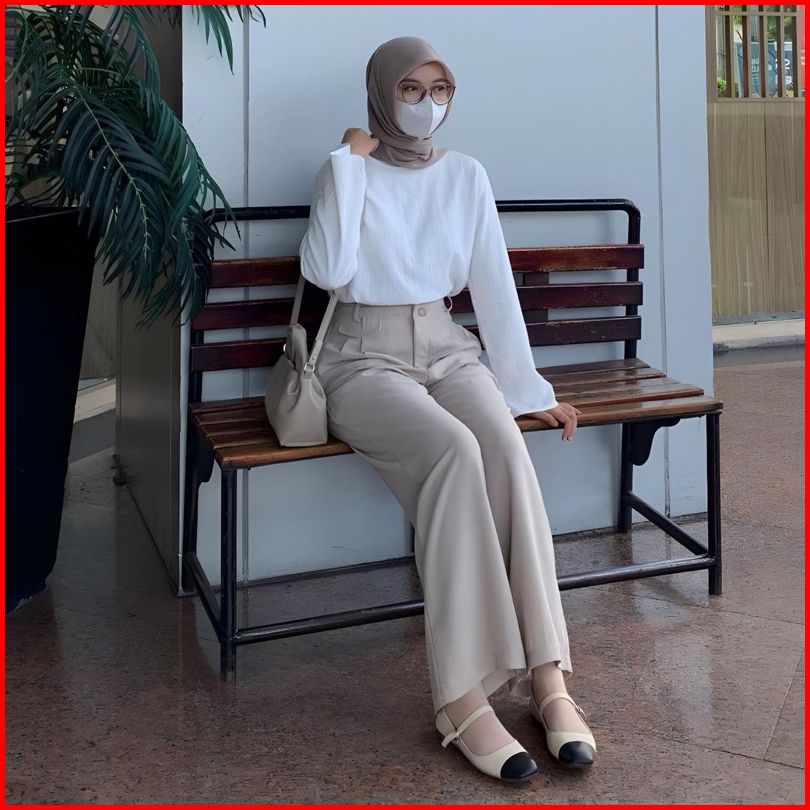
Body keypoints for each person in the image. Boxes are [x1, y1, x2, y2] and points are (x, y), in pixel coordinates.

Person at [299, 35, 596, 783]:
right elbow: (328, 271)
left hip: (445, 344)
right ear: (381, 93)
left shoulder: (465, 174)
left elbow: (492, 285)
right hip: (360, 357)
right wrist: (346, 164)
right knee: (453, 452)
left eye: (439, 90)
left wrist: (528, 392)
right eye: (410, 89)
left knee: (503, 445)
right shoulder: (347, 169)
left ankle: (549, 678)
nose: (426, 105)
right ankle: (462, 700)